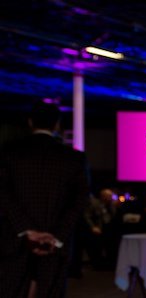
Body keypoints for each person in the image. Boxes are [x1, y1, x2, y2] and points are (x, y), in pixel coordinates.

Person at [0, 101, 90, 297]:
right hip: (55, 245)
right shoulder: (74, 158)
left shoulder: (8, 153)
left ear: (30, 122)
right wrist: (56, 235)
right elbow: (80, 201)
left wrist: (27, 229)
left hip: (15, 240)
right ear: (57, 125)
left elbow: (3, 195)